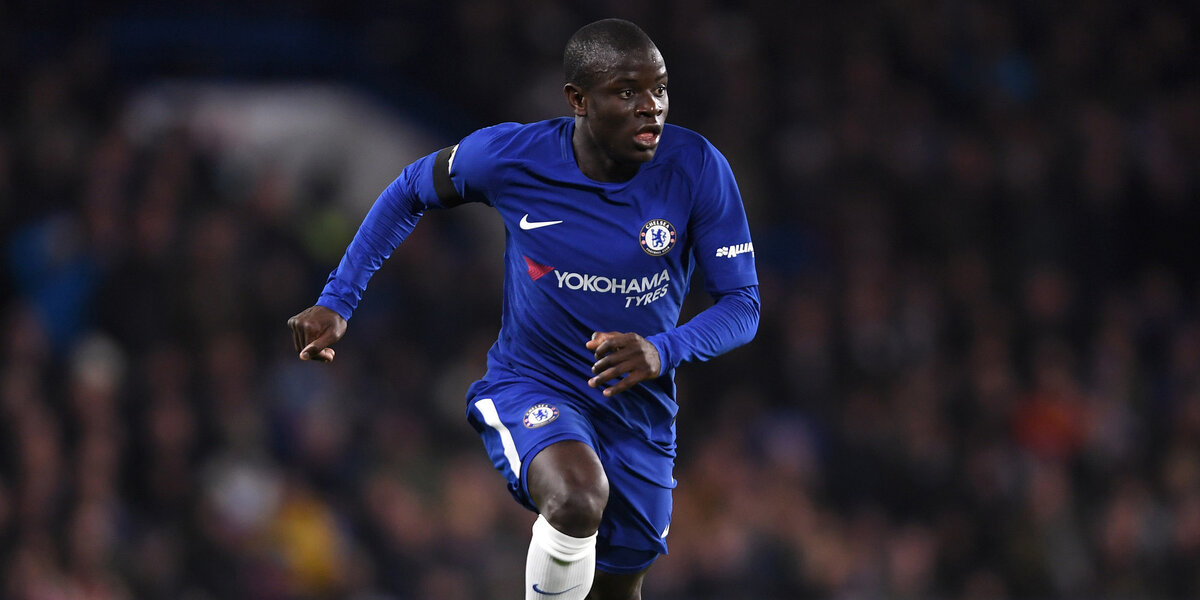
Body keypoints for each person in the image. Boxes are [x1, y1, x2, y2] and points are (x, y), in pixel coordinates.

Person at [288, 18, 759, 600]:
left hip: (637, 409)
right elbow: (410, 188)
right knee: (577, 496)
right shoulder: (514, 156)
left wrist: (663, 351)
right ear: (578, 100)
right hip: (533, 384)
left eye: (659, 89)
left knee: (616, 588)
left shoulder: (697, 167)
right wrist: (338, 299)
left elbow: (742, 305)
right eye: (627, 91)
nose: (651, 107)